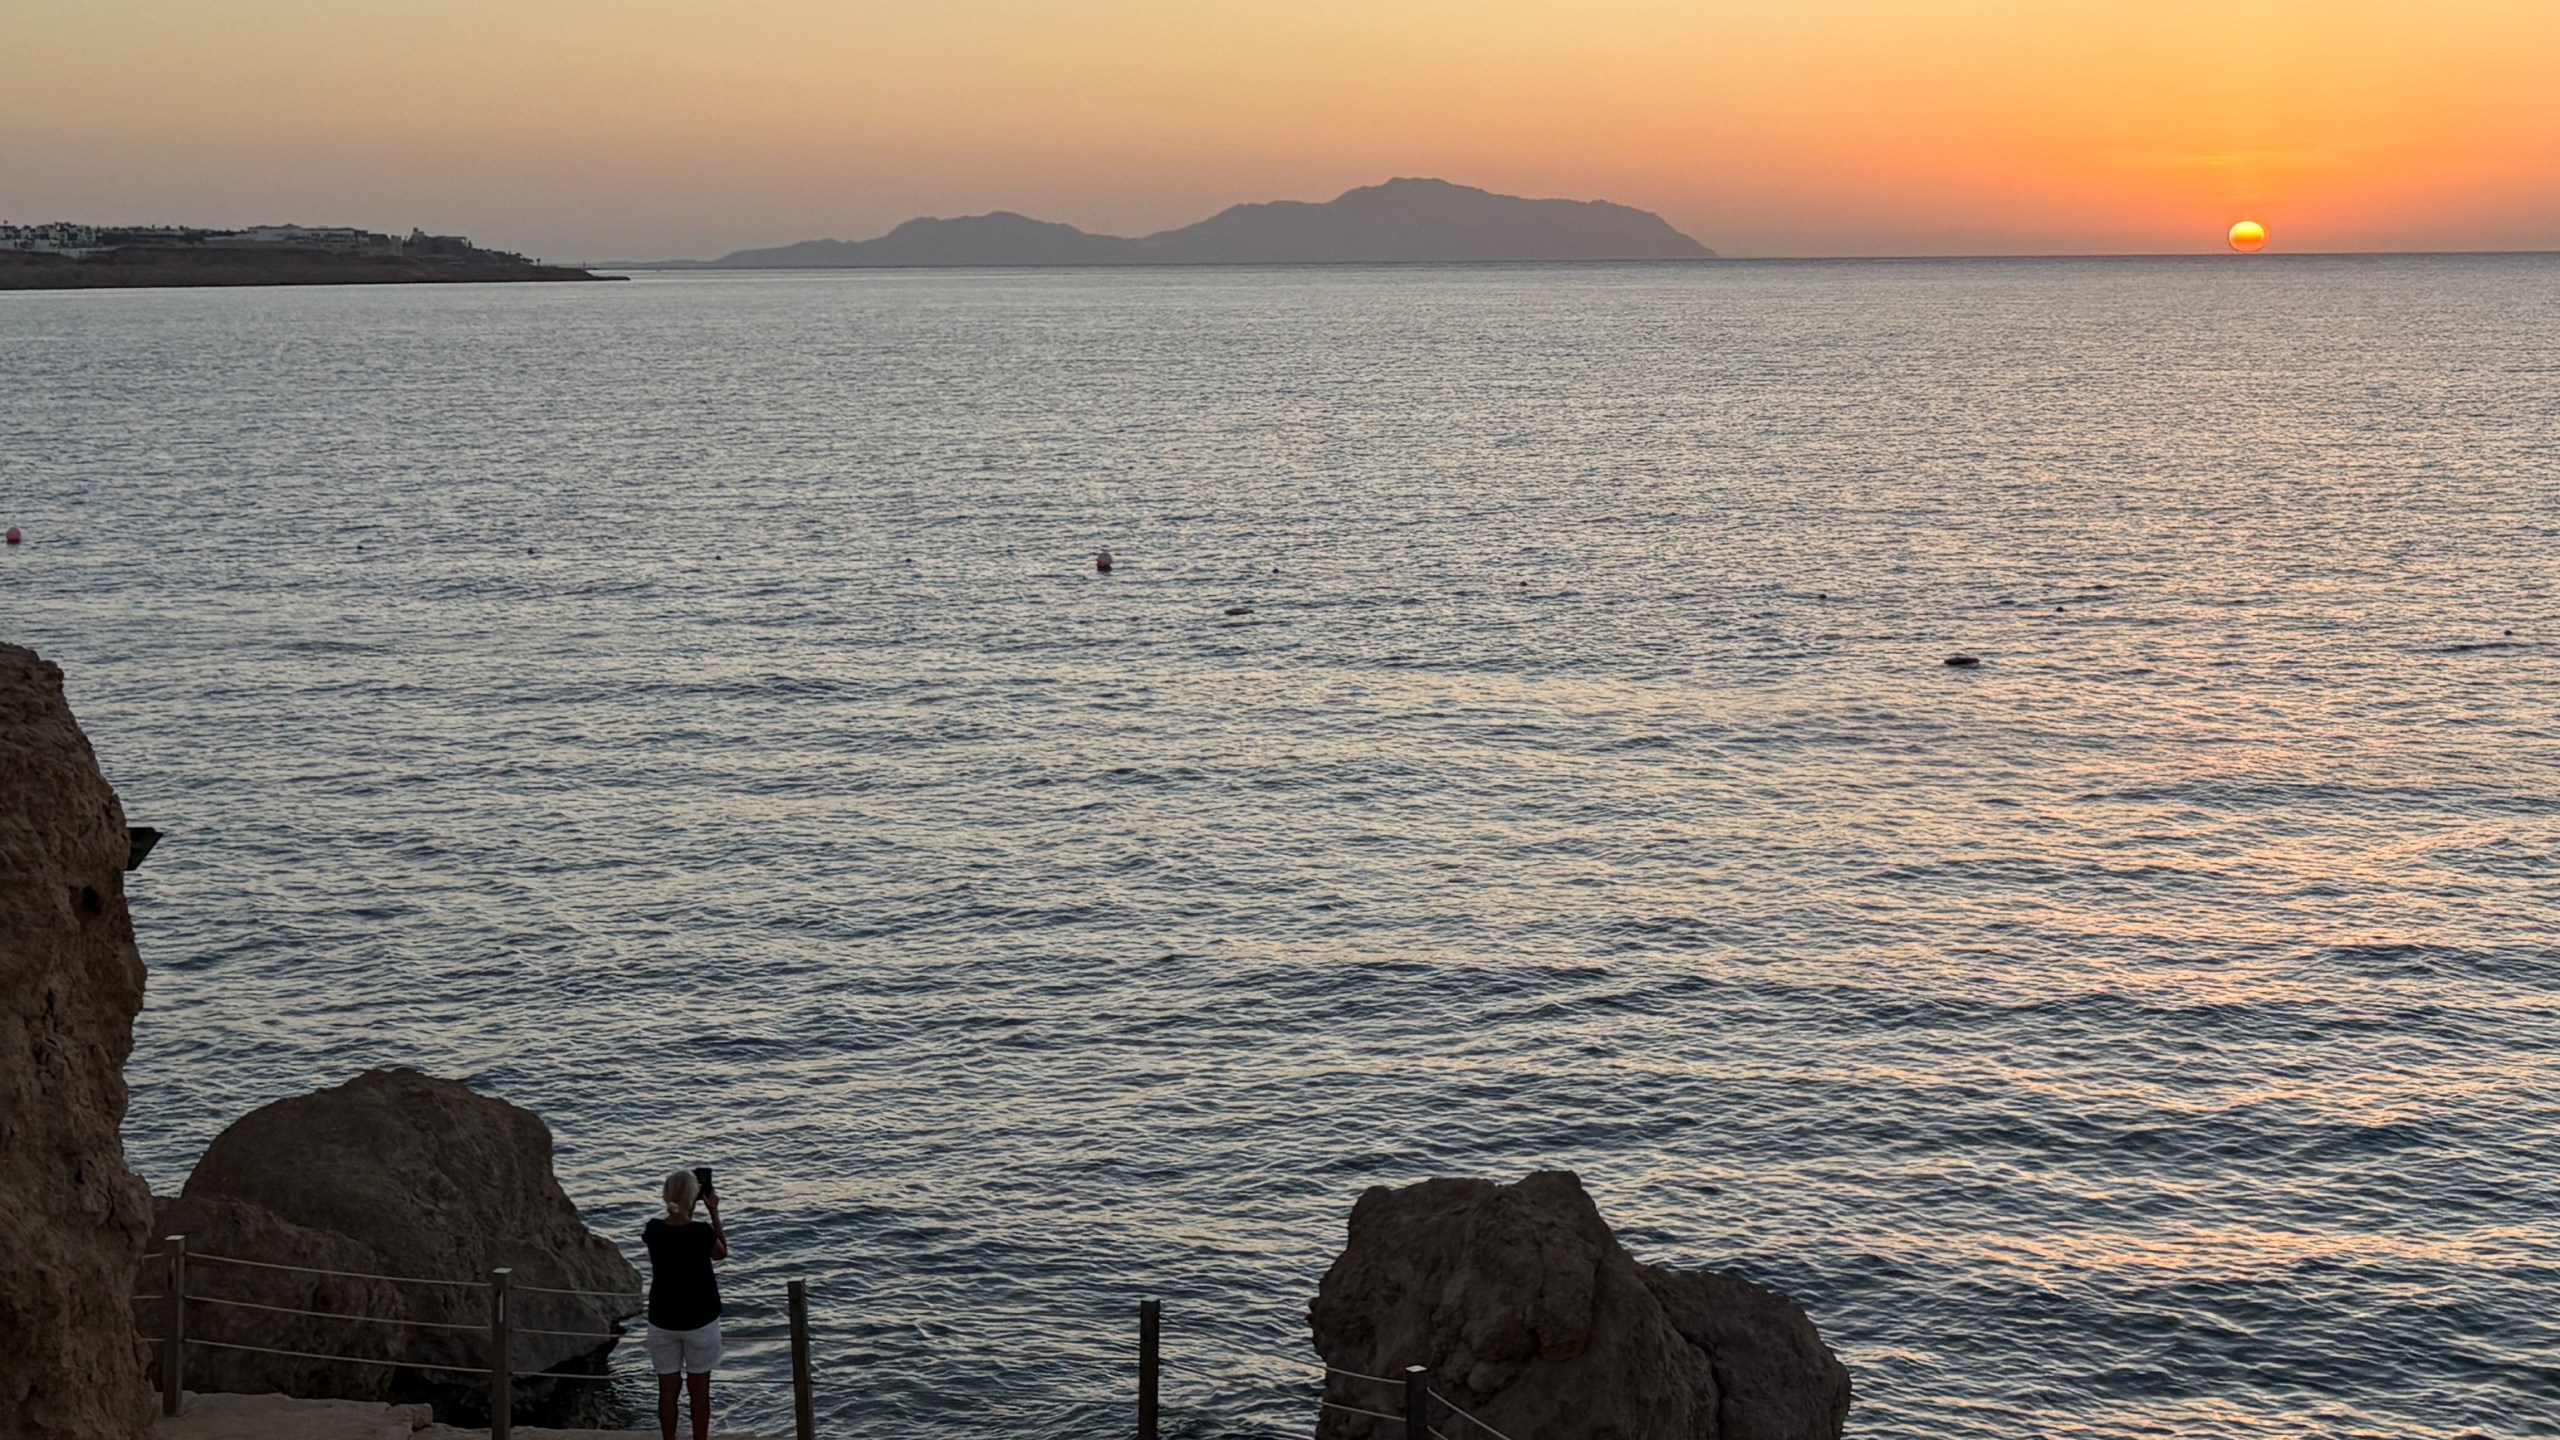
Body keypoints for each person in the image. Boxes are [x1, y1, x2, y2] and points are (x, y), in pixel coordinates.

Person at [644, 1169, 728, 1440]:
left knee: (667, 1390)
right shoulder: (701, 1233)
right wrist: (713, 1211)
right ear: (695, 1197)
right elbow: (721, 1253)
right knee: (699, 1390)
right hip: (700, 1319)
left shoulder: (654, 1229)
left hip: (663, 1318)